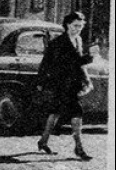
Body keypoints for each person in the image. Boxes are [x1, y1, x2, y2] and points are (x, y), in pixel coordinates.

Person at [36, 11, 95, 161]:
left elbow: (79, 65)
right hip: (61, 83)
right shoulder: (59, 42)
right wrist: (89, 58)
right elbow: (60, 64)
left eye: (80, 26)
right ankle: (79, 148)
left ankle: (43, 141)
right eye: (75, 26)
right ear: (67, 25)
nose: (78, 29)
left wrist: (87, 79)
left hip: (73, 83)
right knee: (76, 112)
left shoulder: (78, 40)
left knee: (55, 112)